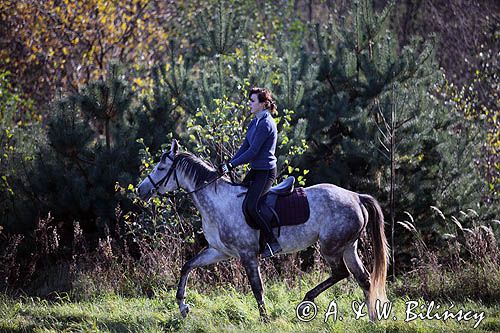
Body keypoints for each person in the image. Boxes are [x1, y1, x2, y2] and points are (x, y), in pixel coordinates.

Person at [218, 87, 282, 258]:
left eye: (252, 101)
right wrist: (229, 162)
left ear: (263, 104)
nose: (249, 103)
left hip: (266, 172)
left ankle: (272, 242)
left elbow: (253, 152)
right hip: (256, 170)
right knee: (239, 200)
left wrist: (231, 166)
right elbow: (244, 147)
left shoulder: (267, 123)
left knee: (251, 206)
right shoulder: (254, 122)